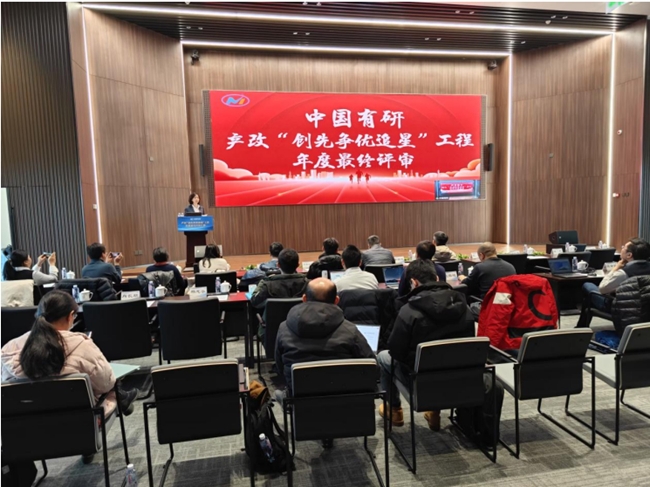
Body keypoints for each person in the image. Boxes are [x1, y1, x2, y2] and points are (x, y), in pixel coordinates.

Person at [0, 290, 138, 416]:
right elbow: (106, 383)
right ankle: (124, 399)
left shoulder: (9, 349)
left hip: (23, 427)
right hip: (79, 423)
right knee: (111, 387)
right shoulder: (82, 345)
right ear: (70, 316)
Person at [377, 259, 474, 430]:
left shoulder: (409, 311)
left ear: (413, 282)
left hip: (422, 386)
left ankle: (394, 409)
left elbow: (396, 351)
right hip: (459, 383)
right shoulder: (463, 306)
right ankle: (433, 411)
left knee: (383, 357)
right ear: (436, 278)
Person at [275, 278, 375, 394]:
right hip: (344, 398)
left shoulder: (284, 328)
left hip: (299, 398)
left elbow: (279, 367)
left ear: (304, 298)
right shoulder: (350, 330)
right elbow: (372, 366)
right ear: (336, 300)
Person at [577, 238, 650, 328]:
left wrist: (615, 268)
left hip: (621, 308)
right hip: (645, 308)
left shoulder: (623, 274)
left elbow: (602, 289)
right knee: (589, 298)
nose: (621, 248)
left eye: (623, 247)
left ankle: (581, 328)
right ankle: (581, 326)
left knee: (587, 286)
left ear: (629, 255)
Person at [459, 242, 516, 320]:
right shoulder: (511, 266)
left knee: (465, 306)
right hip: (508, 307)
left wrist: (462, 278)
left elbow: (467, 285)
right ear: (495, 252)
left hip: (488, 308)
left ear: (481, 255)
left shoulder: (480, 267)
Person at [251, 248, 309, 321]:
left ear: (278, 265)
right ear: (298, 265)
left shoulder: (268, 284)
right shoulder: (309, 284)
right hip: (301, 324)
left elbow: (254, 302)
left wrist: (264, 281)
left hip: (274, 326)